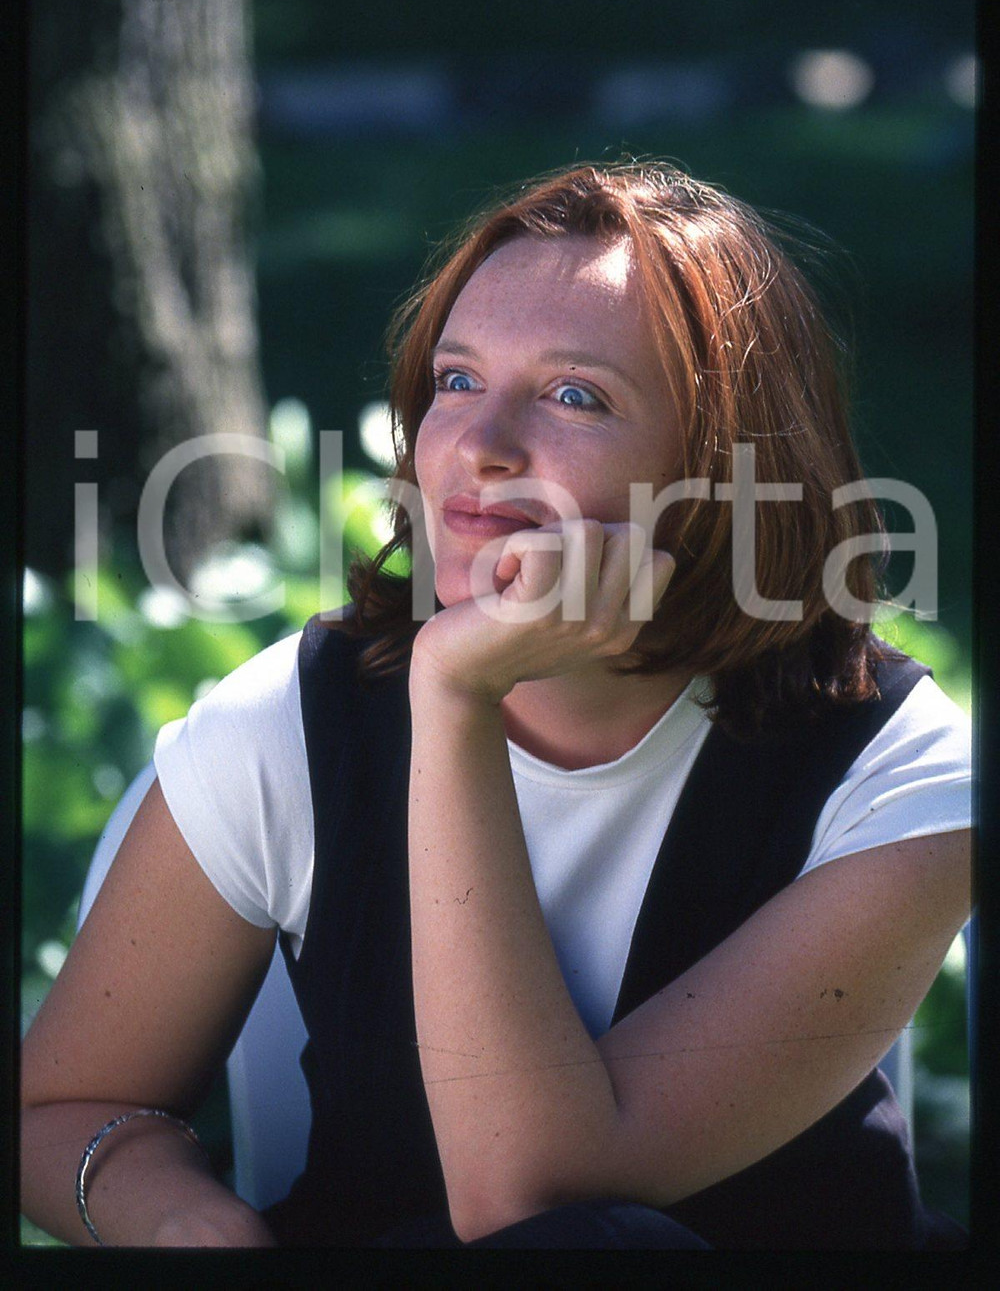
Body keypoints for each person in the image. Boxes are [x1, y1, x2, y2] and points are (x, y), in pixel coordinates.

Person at [21, 162, 972, 1250]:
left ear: (727, 468)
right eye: (457, 381)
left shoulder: (903, 775)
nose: (479, 446)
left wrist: (457, 698)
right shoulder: (287, 727)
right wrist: (190, 1224)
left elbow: (534, 1204)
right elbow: (57, 1108)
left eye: (575, 396)